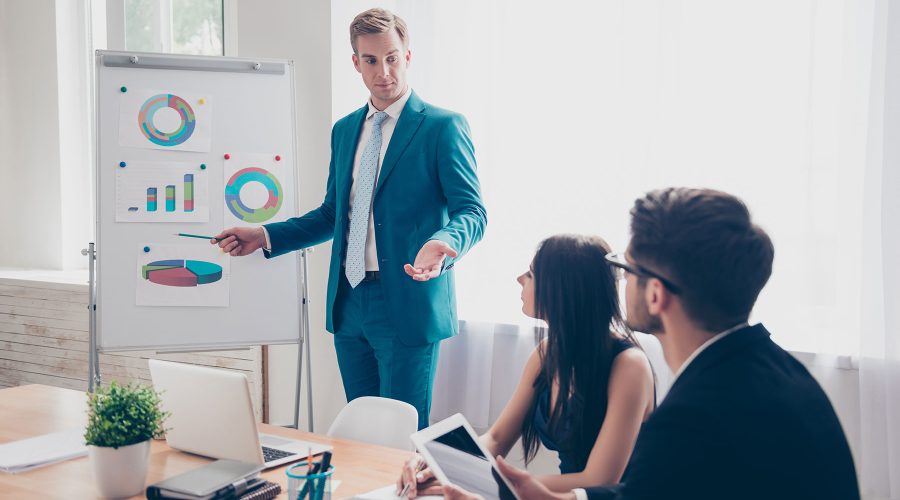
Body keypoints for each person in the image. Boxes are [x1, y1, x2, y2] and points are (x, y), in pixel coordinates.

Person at [443, 188, 860, 500]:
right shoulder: (779, 374)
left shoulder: (692, 415)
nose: (618, 284)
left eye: (627, 270)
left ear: (656, 294)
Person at [214, 8, 486, 429]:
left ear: (408, 56)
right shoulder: (344, 130)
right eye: (372, 60)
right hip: (350, 303)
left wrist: (445, 243)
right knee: (361, 437)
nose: (384, 72)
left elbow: (472, 210)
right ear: (356, 63)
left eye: (392, 58)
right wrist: (265, 235)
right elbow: (332, 215)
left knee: (401, 440)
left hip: (408, 303)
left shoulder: (442, 127)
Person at [398, 234, 655, 496]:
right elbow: (497, 438)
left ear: (562, 290)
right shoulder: (546, 354)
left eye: (531, 274)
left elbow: (598, 479)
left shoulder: (629, 366)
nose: (520, 279)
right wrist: (438, 462)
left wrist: (495, 482)